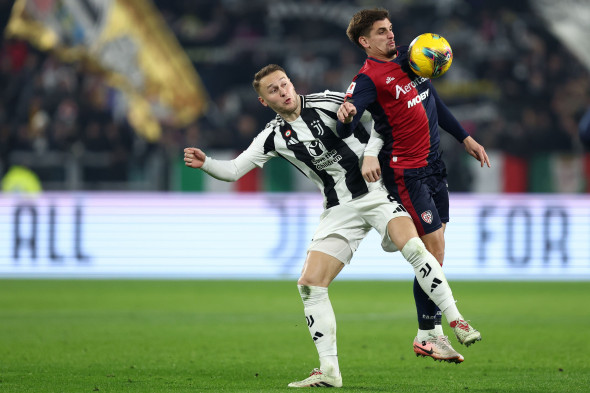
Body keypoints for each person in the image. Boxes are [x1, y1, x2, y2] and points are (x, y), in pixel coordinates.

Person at [184, 64, 481, 388]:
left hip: (377, 192)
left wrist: (370, 154)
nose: (282, 91)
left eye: (283, 83)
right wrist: (207, 163)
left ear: (291, 82)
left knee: (414, 247)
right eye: (273, 90)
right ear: (263, 102)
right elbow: (234, 170)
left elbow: (383, 118)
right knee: (310, 283)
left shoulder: (328, 102)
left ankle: (457, 321)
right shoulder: (272, 136)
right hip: (339, 209)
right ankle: (329, 371)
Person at [337, 8, 489, 364]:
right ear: (365, 42)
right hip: (407, 173)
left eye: (390, 29)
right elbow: (349, 123)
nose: (390, 35)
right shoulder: (367, 79)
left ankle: (427, 334)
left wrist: (464, 137)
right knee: (433, 249)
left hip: (435, 166)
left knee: (436, 253)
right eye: (380, 32)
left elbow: (432, 99)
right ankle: (433, 333)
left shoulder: (412, 57)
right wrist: (346, 119)